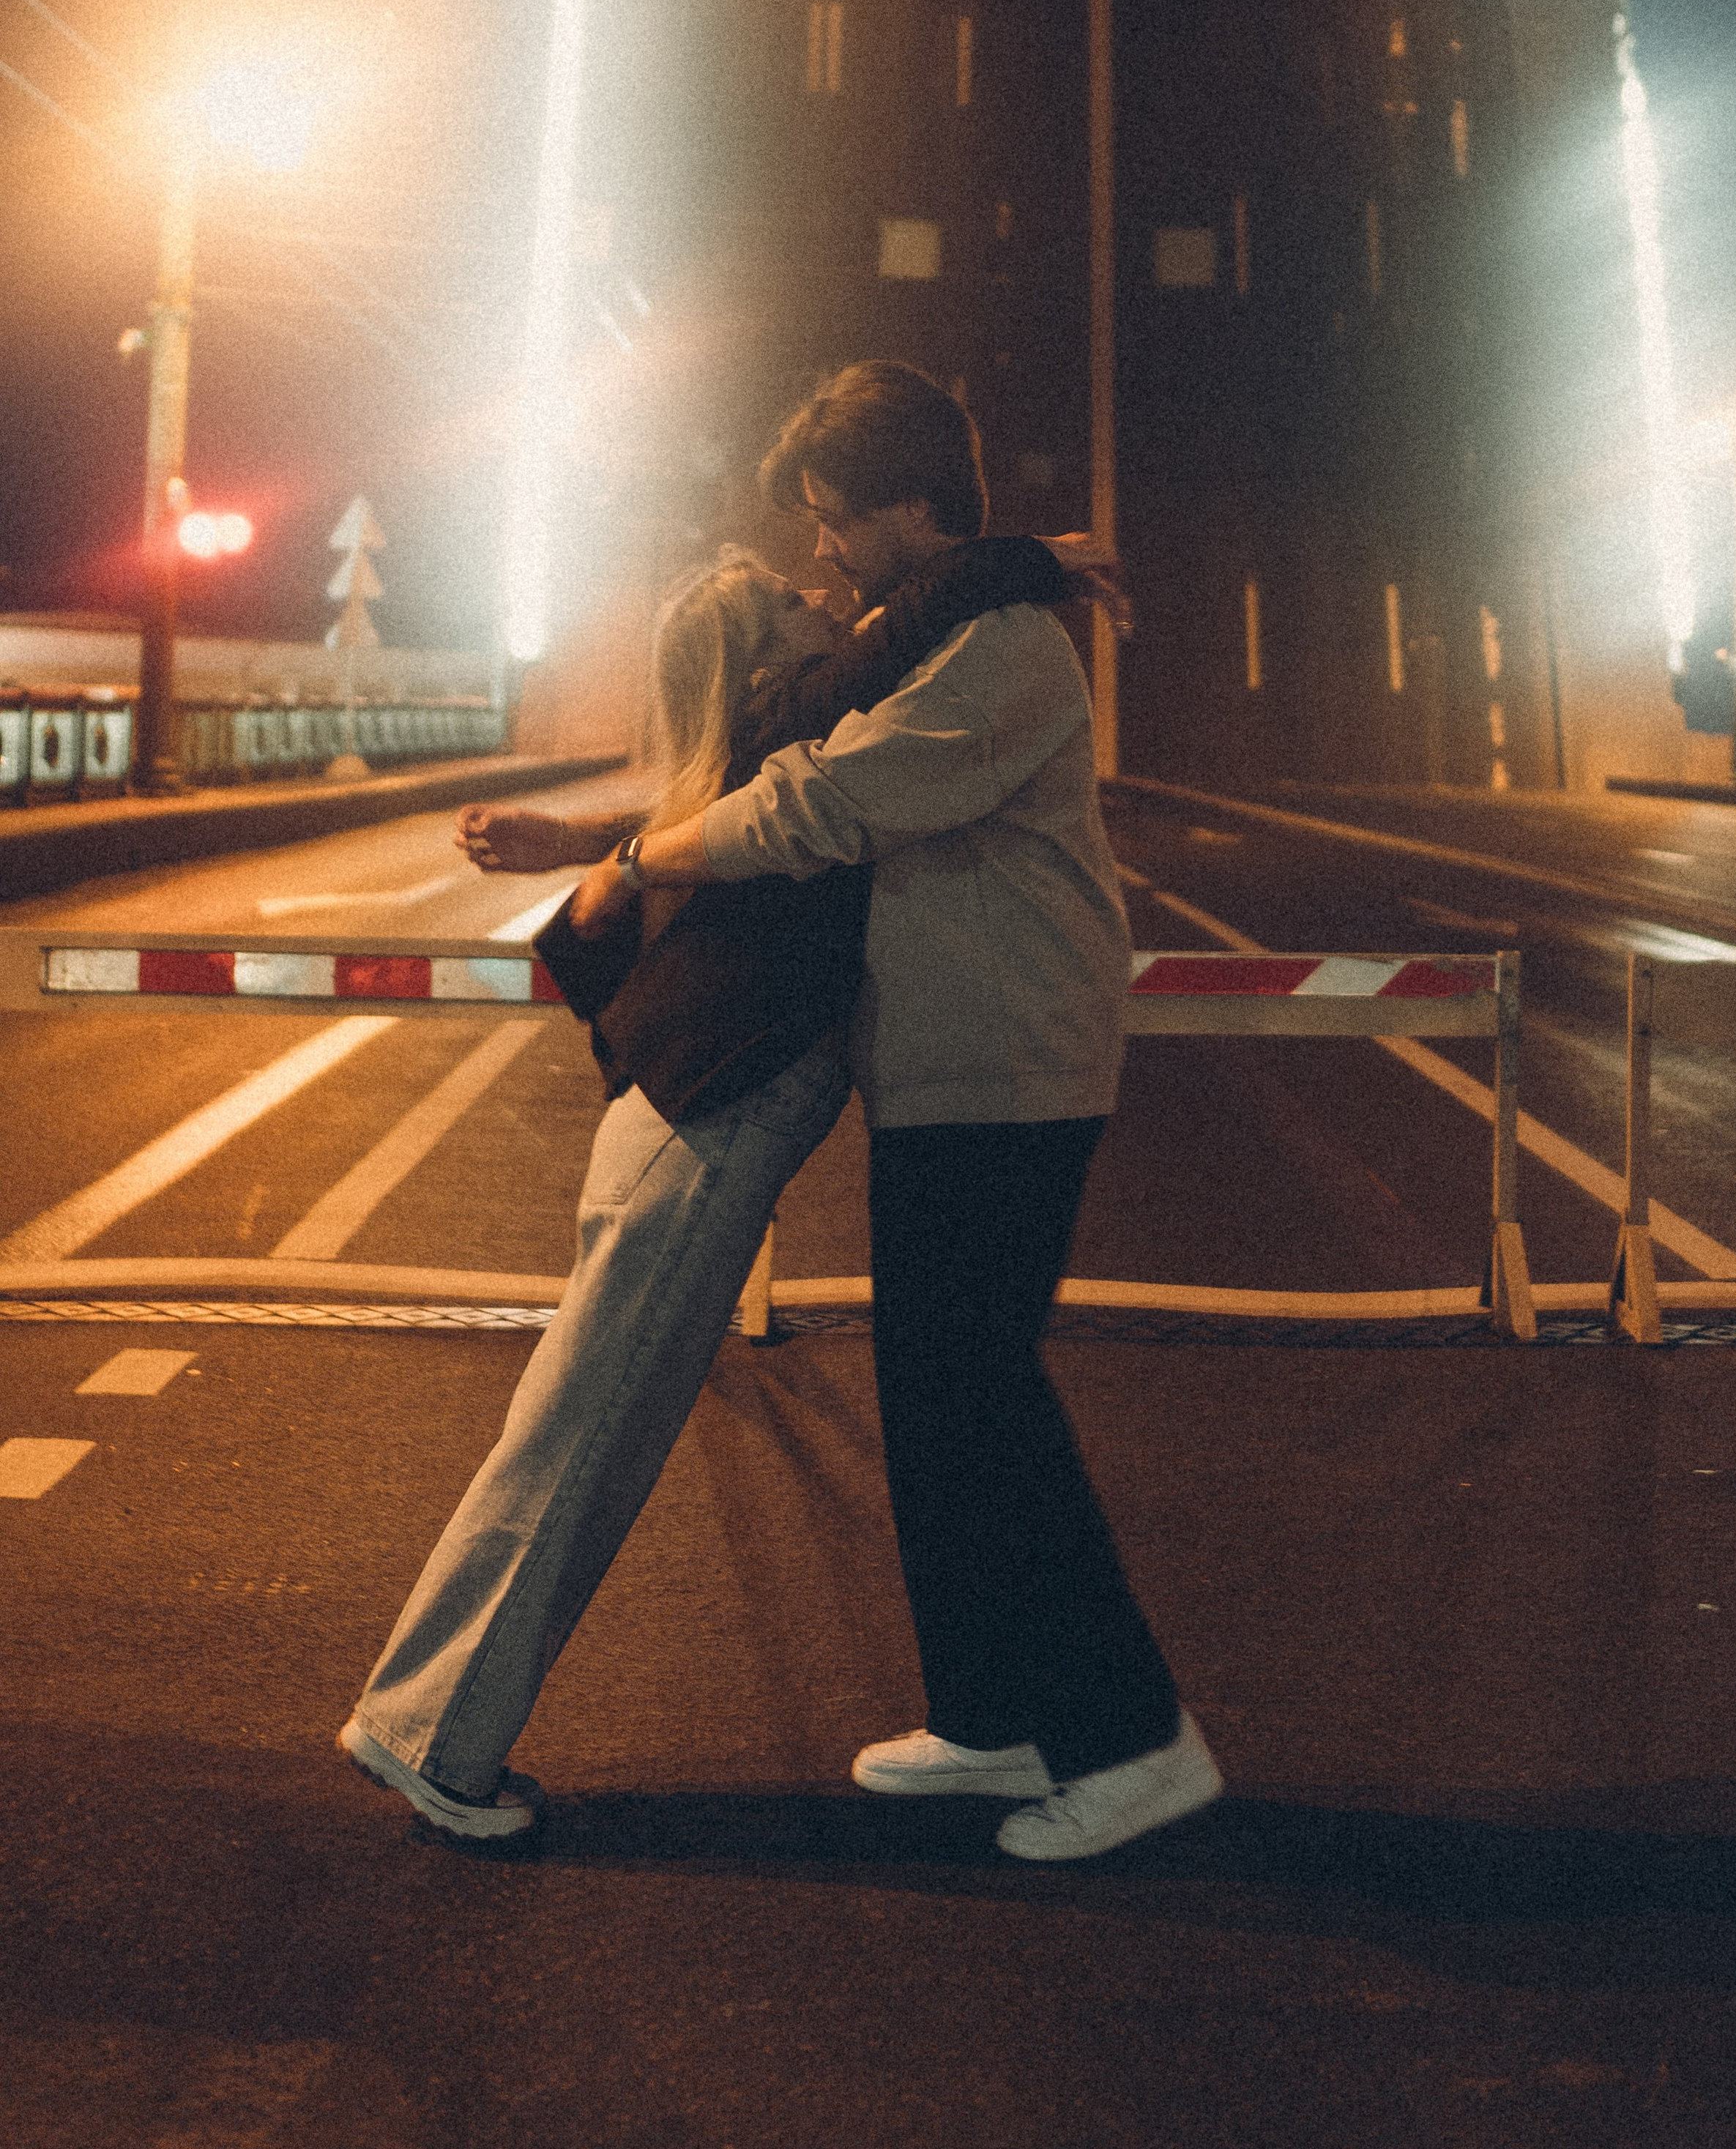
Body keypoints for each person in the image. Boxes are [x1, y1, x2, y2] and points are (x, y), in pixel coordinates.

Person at [338, 524, 1089, 1841]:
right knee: (588, 1428)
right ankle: (431, 1735)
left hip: (691, 1111)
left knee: (581, 1415)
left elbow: (862, 662)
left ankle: (426, 1724)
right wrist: (1018, 556)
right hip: (712, 1113)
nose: (826, 595)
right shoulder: (787, 746)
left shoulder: (762, 744)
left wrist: (589, 840)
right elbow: (857, 693)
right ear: (759, 662)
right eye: (793, 599)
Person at [602, 362, 1222, 1862]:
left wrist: (636, 860)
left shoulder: (1001, 652)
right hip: (946, 1067)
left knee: (984, 1404)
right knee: (936, 1403)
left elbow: (827, 796)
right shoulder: (956, 614)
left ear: (905, 507)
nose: (822, 555)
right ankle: (991, 1717)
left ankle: (1134, 1740)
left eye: (834, 521)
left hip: (1008, 1069)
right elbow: (820, 690)